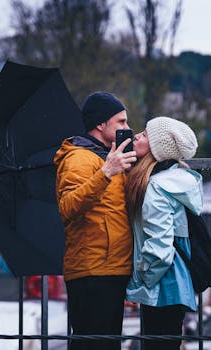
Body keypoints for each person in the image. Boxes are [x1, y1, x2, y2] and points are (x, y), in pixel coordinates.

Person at [54, 91, 137, 350]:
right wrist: (106, 173)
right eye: (120, 122)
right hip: (92, 270)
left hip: (113, 268)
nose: (128, 127)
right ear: (101, 124)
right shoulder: (79, 158)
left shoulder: (110, 157)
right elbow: (68, 206)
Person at [125, 116, 203, 350]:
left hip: (162, 287)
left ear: (157, 149)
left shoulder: (157, 188)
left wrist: (143, 279)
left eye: (146, 134)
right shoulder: (176, 180)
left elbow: (159, 247)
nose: (137, 135)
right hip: (176, 285)